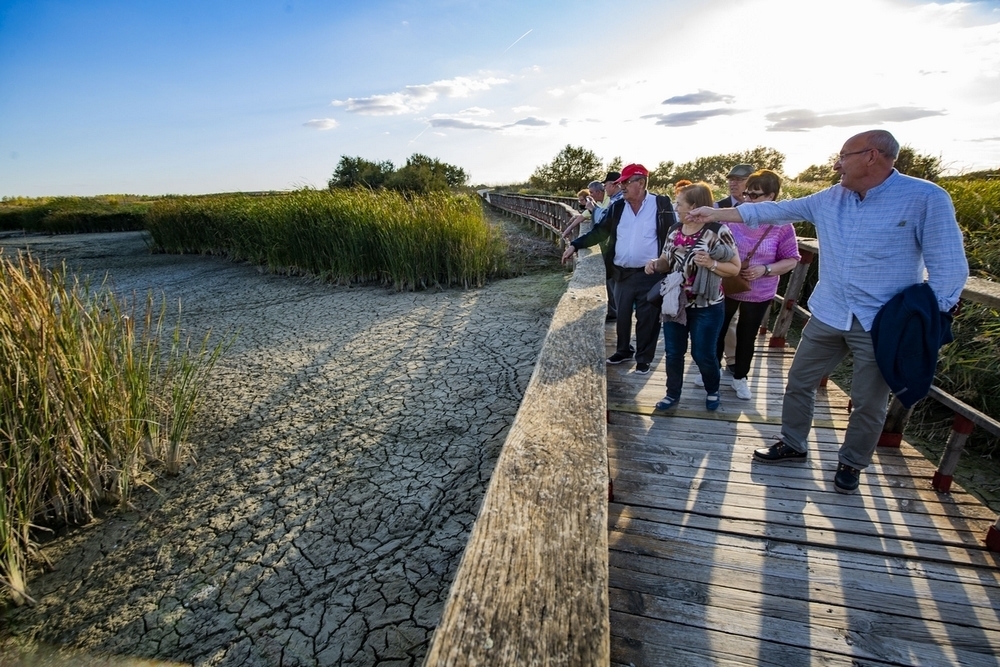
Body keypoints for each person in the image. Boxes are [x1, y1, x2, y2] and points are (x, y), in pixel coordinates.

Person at [687, 130, 968, 493]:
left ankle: (851, 463)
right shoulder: (830, 197)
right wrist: (715, 211)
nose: (836, 164)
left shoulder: (925, 198)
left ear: (872, 156)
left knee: (869, 402)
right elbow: (772, 210)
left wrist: (927, 322)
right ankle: (792, 443)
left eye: (843, 156)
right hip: (829, 311)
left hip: (881, 321)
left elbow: (949, 267)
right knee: (799, 381)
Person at [562, 164, 675, 375]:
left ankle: (644, 358)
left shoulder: (660, 204)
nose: (620, 186)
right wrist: (575, 244)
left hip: (651, 273)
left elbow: (673, 236)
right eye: (620, 182)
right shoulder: (618, 207)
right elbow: (600, 231)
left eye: (625, 182)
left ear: (641, 183)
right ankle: (623, 350)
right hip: (622, 272)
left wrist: (668, 266)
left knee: (648, 318)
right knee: (622, 315)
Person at [644, 183, 741, 411]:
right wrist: (655, 264)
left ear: (694, 207)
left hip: (707, 305)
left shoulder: (718, 232)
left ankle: (712, 389)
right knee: (673, 352)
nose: (676, 207)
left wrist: (712, 263)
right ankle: (672, 394)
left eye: (679, 204)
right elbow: (666, 260)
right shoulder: (675, 229)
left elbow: (735, 268)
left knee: (703, 353)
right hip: (676, 302)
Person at [714, 169, 800, 401]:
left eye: (755, 195)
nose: (748, 199)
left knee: (747, 334)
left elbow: (792, 258)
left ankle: (740, 377)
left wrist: (765, 270)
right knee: (718, 328)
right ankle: (711, 371)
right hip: (729, 282)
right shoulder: (734, 217)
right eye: (747, 194)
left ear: (771, 196)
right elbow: (715, 242)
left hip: (760, 289)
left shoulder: (782, 225)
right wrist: (728, 263)